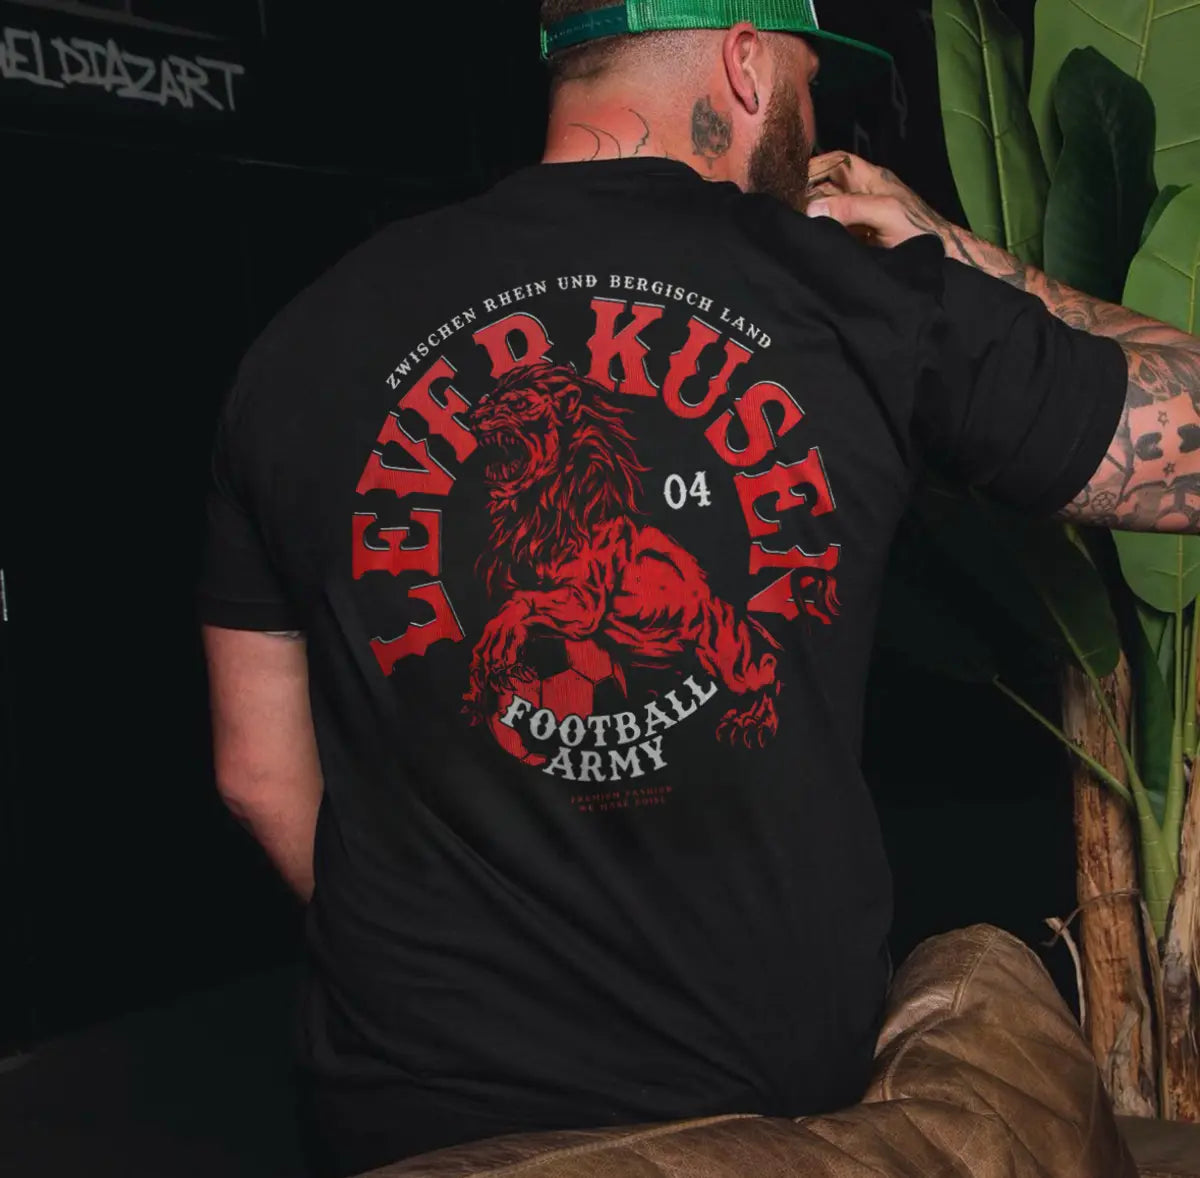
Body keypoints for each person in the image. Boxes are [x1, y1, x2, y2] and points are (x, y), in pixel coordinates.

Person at [199, 2, 1200, 1175]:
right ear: (746, 63)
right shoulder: (860, 295)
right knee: (989, 994)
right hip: (764, 1129)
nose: (817, 119)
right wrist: (956, 249)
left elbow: (257, 775)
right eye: (810, 84)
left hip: (408, 1128)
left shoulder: (305, 334)